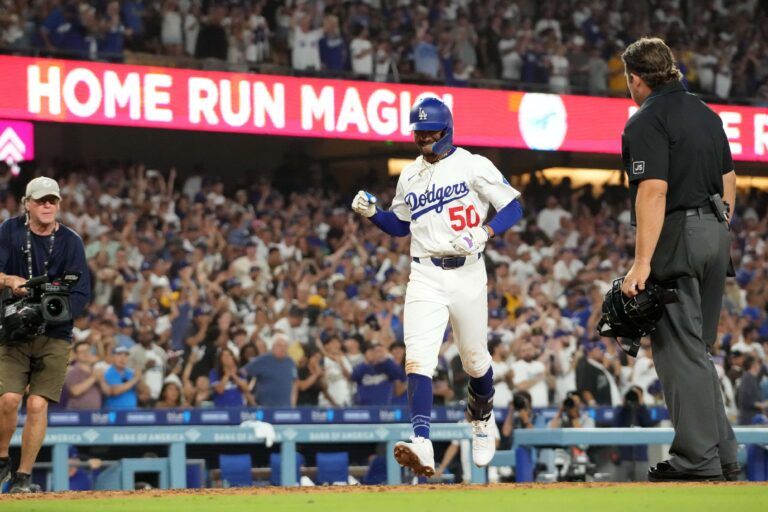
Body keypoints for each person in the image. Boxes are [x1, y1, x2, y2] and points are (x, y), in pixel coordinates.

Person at [351, 96, 524, 476]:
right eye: (419, 132)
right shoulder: (409, 174)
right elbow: (400, 226)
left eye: (430, 131)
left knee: (475, 360)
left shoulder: (472, 164)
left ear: (446, 131)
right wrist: (373, 214)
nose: (424, 138)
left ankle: (481, 417)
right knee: (418, 356)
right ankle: (422, 443)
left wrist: (485, 231)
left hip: (468, 272)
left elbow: (513, 206)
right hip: (425, 273)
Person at [619, 37, 738, 482]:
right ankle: (723, 455)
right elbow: (729, 179)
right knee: (698, 351)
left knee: (677, 351)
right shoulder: (706, 113)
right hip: (715, 230)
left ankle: (695, 460)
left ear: (636, 79)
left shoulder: (646, 119)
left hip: (680, 236)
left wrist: (641, 262)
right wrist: (718, 226)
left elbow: (653, 190)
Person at [0, 176, 91, 493]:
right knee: (9, 399)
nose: (47, 205)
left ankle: (23, 477)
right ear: (27, 204)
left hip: (55, 333)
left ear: (59, 204)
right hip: (14, 329)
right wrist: (10, 280)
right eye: (40, 200)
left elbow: (81, 292)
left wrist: (53, 312)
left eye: (52, 200)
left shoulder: (71, 241)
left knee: (38, 405)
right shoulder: (9, 230)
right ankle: (2, 460)